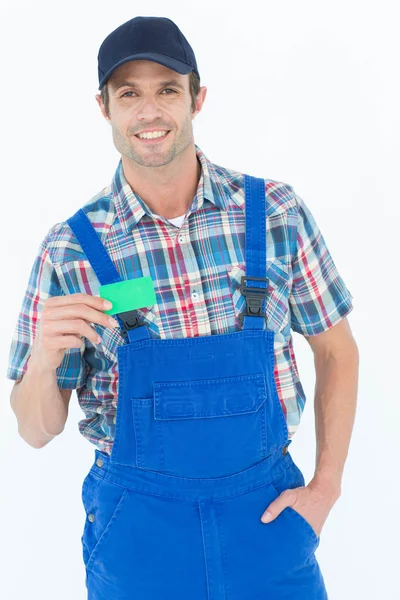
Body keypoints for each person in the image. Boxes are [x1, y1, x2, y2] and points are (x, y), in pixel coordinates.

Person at [7, 15, 359, 600]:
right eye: (130, 94)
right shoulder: (70, 249)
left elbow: (337, 349)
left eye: (168, 89)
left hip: (267, 521)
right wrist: (43, 360)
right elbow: (34, 430)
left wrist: (327, 488)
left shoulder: (274, 212)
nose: (150, 112)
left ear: (198, 97)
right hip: (139, 536)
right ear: (105, 108)